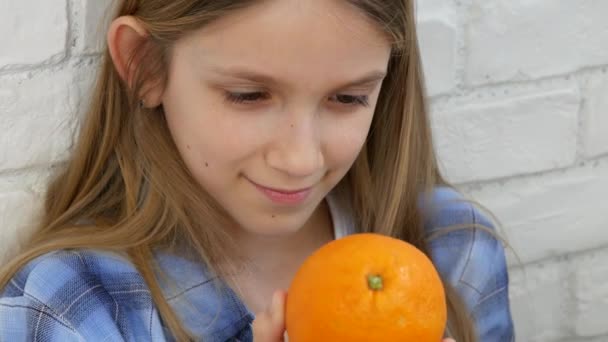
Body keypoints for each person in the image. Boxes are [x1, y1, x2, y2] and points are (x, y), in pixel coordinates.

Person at [0, 0, 514, 341]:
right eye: (248, 95)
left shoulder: (453, 249)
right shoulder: (76, 305)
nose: (300, 159)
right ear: (144, 66)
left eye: (348, 98)